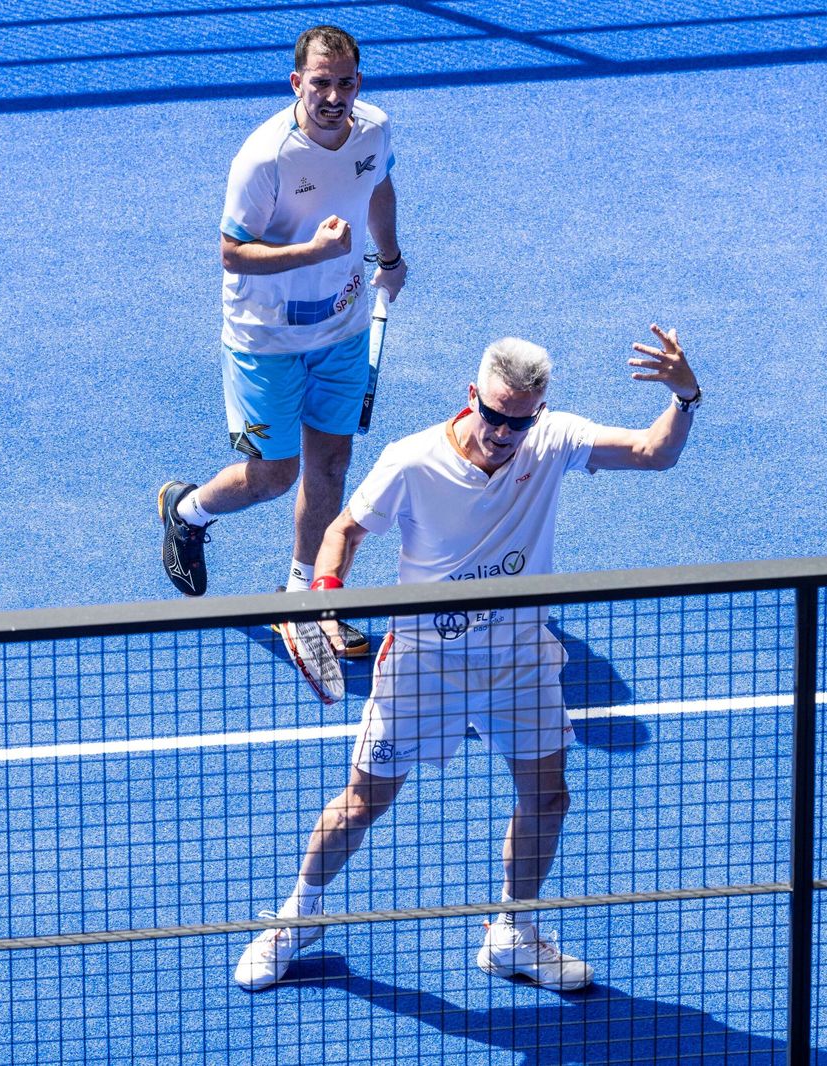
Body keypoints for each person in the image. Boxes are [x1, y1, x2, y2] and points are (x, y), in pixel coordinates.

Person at [233, 326, 702, 992]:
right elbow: (346, 530)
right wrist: (325, 597)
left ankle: (512, 931)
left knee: (548, 797)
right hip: (425, 664)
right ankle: (297, 919)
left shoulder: (552, 440)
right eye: (491, 414)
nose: (501, 433)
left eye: (517, 421)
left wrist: (685, 398)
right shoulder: (413, 459)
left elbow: (654, 453)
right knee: (362, 804)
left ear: (536, 412)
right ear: (471, 395)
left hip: (519, 658)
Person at [158, 24, 408, 660]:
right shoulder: (264, 158)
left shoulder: (375, 130)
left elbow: (376, 185)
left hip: (344, 323)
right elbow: (231, 254)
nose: (334, 96)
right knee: (275, 473)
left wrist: (390, 255)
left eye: (345, 82)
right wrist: (313, 251)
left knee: (330, 464)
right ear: (297, 83)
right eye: (320, 83)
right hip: (263, 337)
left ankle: (303, 600)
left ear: (359, 82)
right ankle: (186, 512)